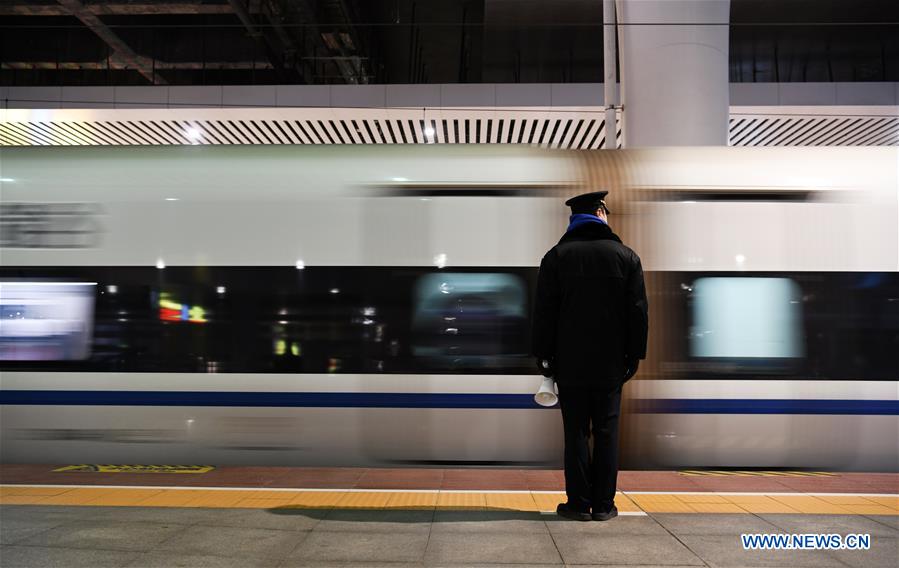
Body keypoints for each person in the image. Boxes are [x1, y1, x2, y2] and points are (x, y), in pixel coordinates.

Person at [532, 190, 648, 522]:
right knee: (607, 433)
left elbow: (544, 313)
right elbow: (638, 313)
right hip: (611, 363)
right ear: (599, 213)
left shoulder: (556, 257)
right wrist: (634, 357)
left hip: (569, 363)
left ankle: (579, 504)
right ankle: (604, 506)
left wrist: (544, 357)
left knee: (576, 433)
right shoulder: (626, 257)